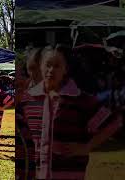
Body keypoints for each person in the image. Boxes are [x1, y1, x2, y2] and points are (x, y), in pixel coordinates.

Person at [16, 45, 123, 180]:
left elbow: (113, 122)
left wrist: (86, 147)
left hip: (69, 173)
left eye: (57, 66)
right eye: (47, 65)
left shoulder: (80, 100)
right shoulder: (27, 99)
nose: (51, 70)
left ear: (65, 69)